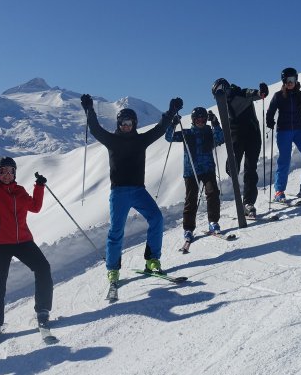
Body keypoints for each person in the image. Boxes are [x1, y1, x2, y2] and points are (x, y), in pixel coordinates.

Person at [82, 94, 182, 284]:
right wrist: (89, 109)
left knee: (157, 218)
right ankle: (113, 270)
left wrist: (171, 112)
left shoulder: (140, 140)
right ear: (118, 124)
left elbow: (160, 129)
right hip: (119, 193)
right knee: (116, 231)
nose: (125, 126)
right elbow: (95, 129)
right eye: (122, 123)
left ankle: (152, 260)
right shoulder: (112, 140)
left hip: (138, 190)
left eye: (128, 123)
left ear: (134, 123)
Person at [0, 142, 51, 344]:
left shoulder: (20, 191)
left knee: (43, 268)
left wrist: (39, 187)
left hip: (22, 240)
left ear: (15, 173)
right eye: (3, 171)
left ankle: (42, 310)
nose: (7, 174)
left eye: (10, 171)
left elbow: (35, 207)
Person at [210, 78, 269, 218]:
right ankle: (239, 192)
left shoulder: (241, 93)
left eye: (220, 91)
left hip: (252, 136)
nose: (219, 95)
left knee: (251, 168)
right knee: (232, 166)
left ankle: (248, 203)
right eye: (216, 94)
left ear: (226, 88)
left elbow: (255, 94)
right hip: (236, 137)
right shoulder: (223, 104)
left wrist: (262, 92)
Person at [165, 106, 225, 241]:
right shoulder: (187, 134)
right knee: (191, 199)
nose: (201, 121)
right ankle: (188, 229)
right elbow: (168, 137)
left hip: (208, 170)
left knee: (213, 192)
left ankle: (213, 222)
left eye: (203, 119)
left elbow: (220, 139)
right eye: (198, 119)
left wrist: (215, 123)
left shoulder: (210, 132)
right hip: (191, 172)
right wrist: (173, 124)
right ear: (193, 120)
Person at [265, 68, 301, 201]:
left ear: (296, 80)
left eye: (293, 80)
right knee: (284, 160)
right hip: (283, 131)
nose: (290, 82)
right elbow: (270, 111)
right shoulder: (278, 96)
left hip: (299, 130)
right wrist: (269, 121)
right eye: (288, 80)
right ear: (284, 81)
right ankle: (279, 191)